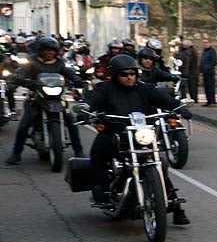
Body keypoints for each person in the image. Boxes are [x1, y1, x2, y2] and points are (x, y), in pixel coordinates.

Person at [85, 54, 192, 225]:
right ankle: (102, 190)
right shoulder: (105, 88)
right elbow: (92, 100)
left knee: (160, 165)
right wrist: (86, 108)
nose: (129, 77)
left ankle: (175, 206)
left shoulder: (144, 88)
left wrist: (179, 107)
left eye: (132, 73)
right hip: (115, 134)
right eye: (124, 74)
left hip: (141, 135)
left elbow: (164, 99)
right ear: (115, 75)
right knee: (98, 152)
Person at [4, 36, 85, 164]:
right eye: (47, 50)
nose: (50, 53)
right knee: (24, 124)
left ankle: (78, 151)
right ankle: (16, 153)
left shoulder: (59, 62)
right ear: (41, 50)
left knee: (70, 121)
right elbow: (21, 72)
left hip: (57, 97)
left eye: (52, 50)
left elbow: (68, 72)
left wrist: (77, 80)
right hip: (36, 96)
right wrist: (21, 79)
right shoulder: (31, 61)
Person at [199, 38, 217, 106]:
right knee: (206, 87)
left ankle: (212, 101)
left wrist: (207, 68)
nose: (205, 44)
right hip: (205, 72)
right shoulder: (204, 51)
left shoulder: (212, 51)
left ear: (210, 43)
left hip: (210, 72)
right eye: (204, 43)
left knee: (210, 87)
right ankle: (208, 101)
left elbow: (214, 62)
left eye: (206, 42)